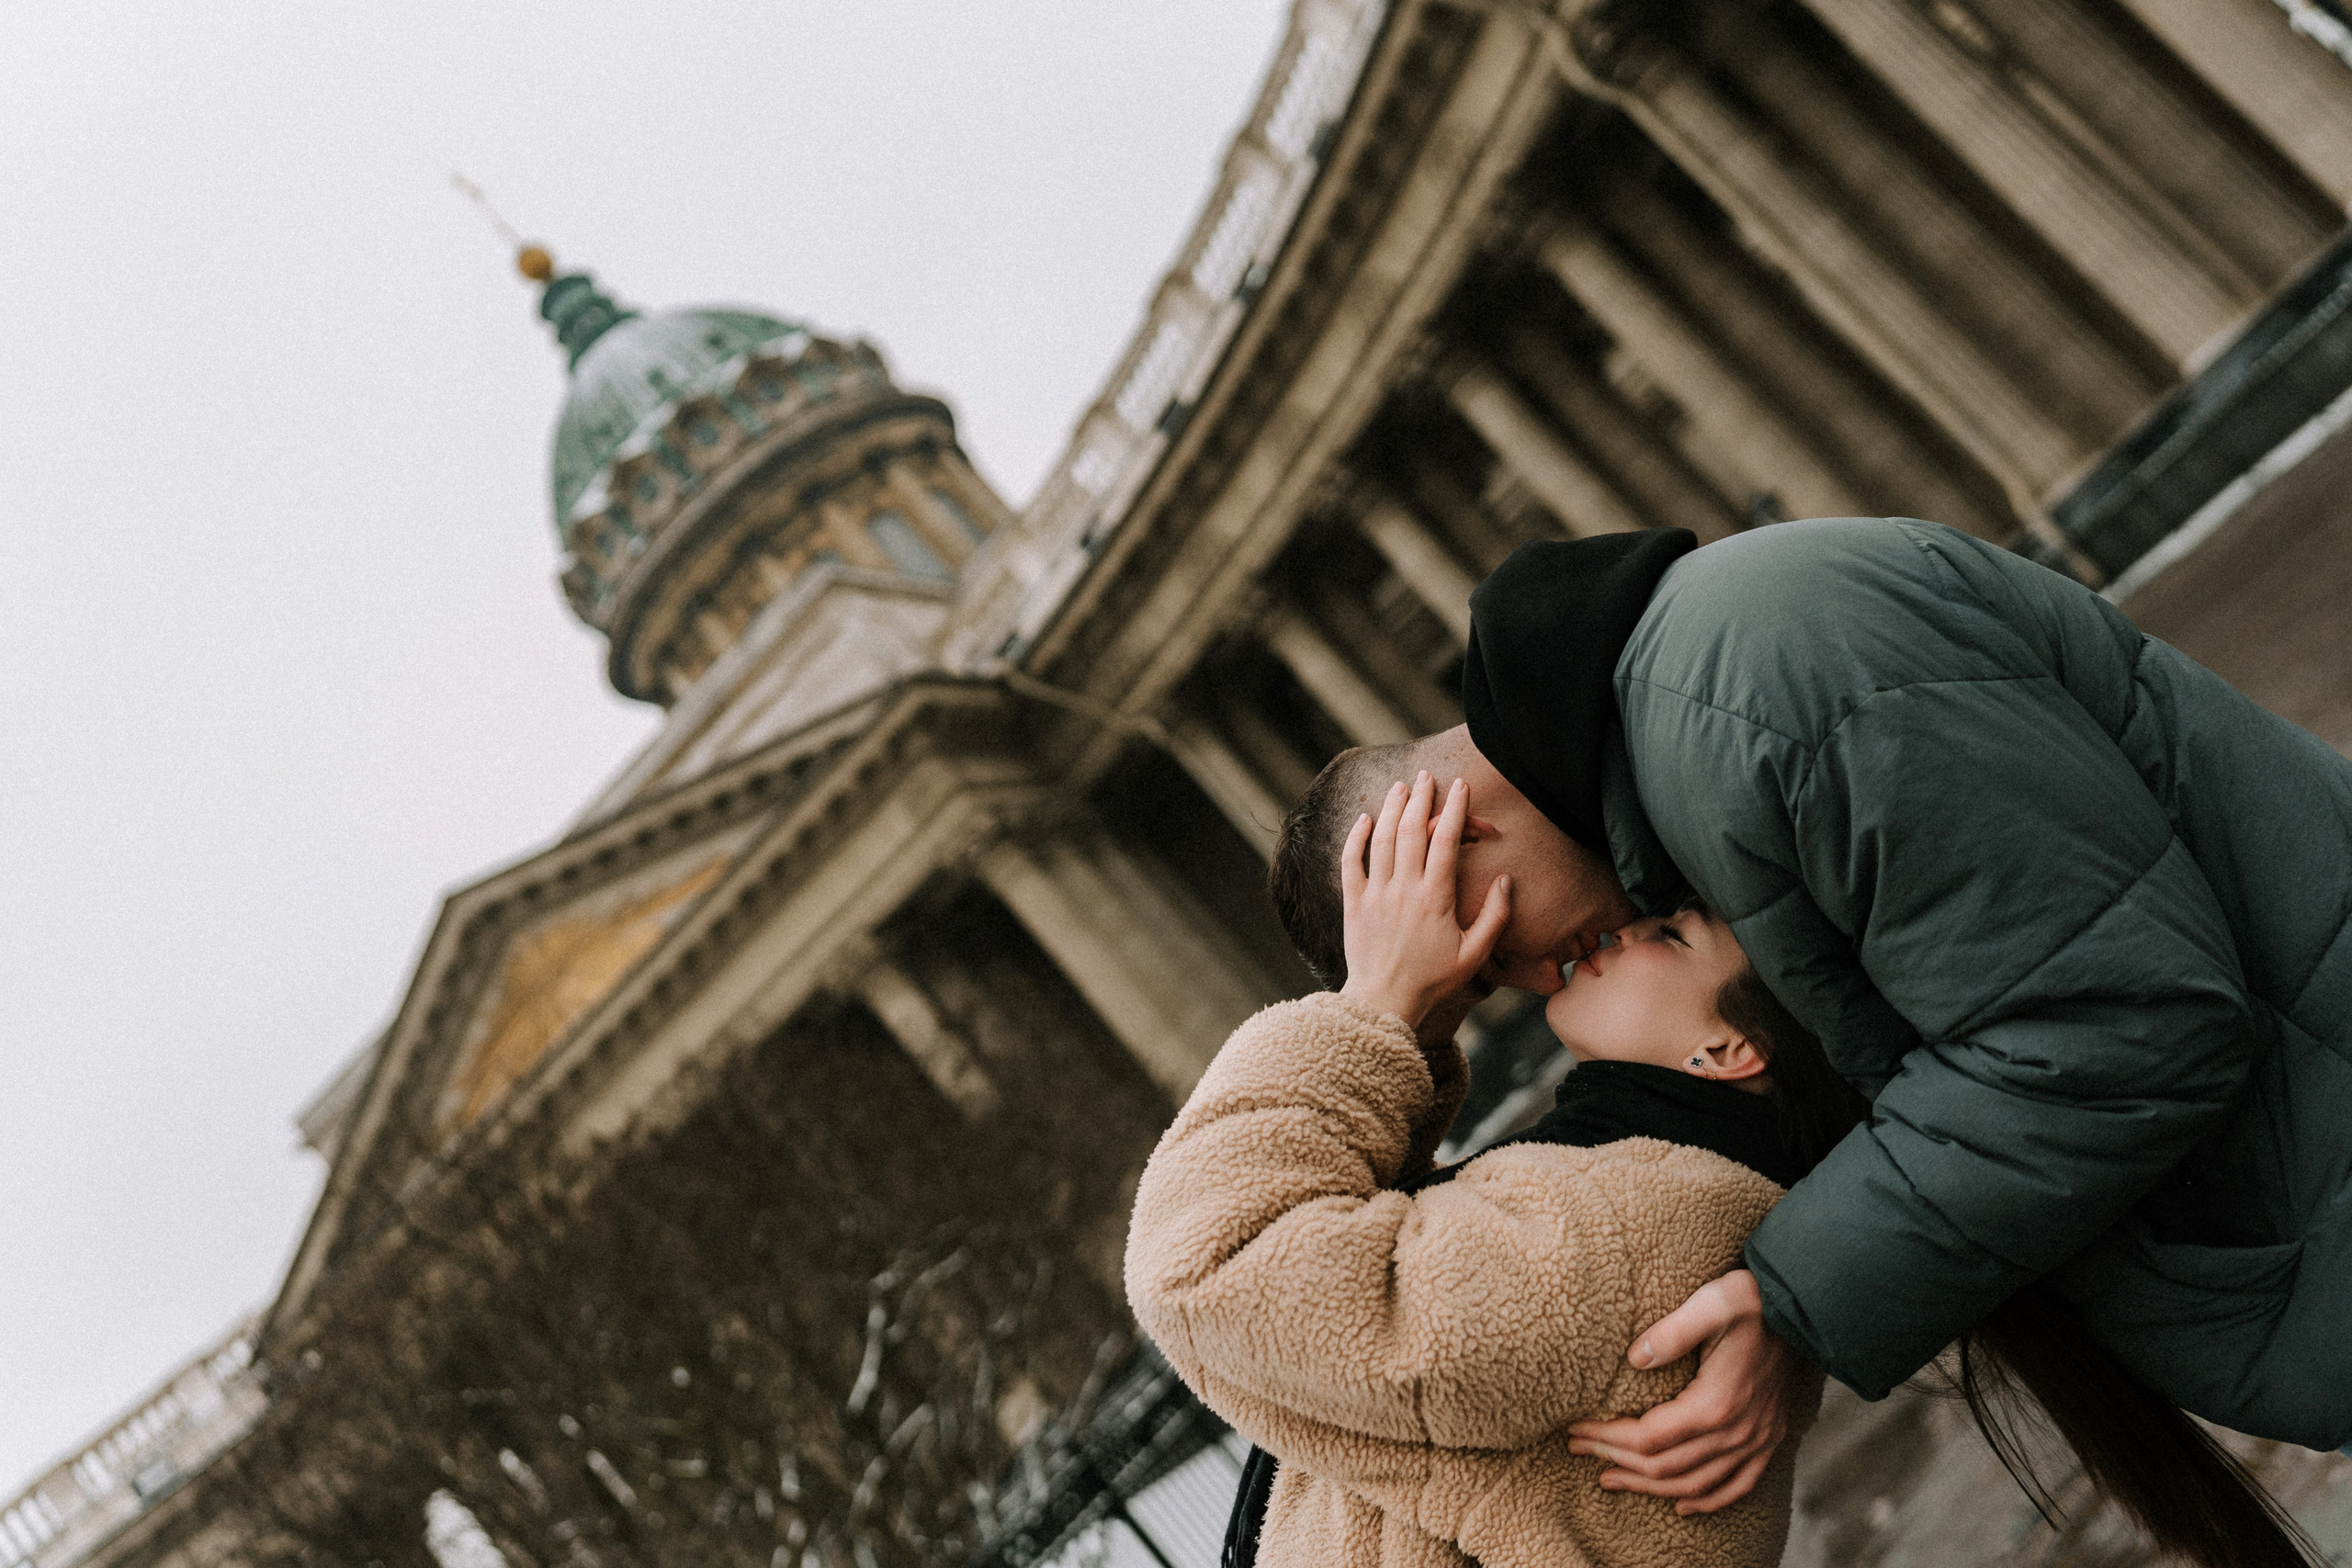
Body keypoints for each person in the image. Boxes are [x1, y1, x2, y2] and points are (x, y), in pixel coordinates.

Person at [1266, 516, 2352, 1515]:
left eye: (1498, 955)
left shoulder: (1762, 690)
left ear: (1447, 838)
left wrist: (1800, 1296)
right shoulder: (1698, 745)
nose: (1544, 984)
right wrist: (1385, 1019)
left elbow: (2119, 1023)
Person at [1126, 772, 1826, 1568]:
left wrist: (1381, 1003)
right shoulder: (1654, 1197)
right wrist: (1420, 1031)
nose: (1627, 928)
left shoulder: (1617, 1231)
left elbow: (1211, 1263)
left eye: (1669, 936)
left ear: (1733, 1050)